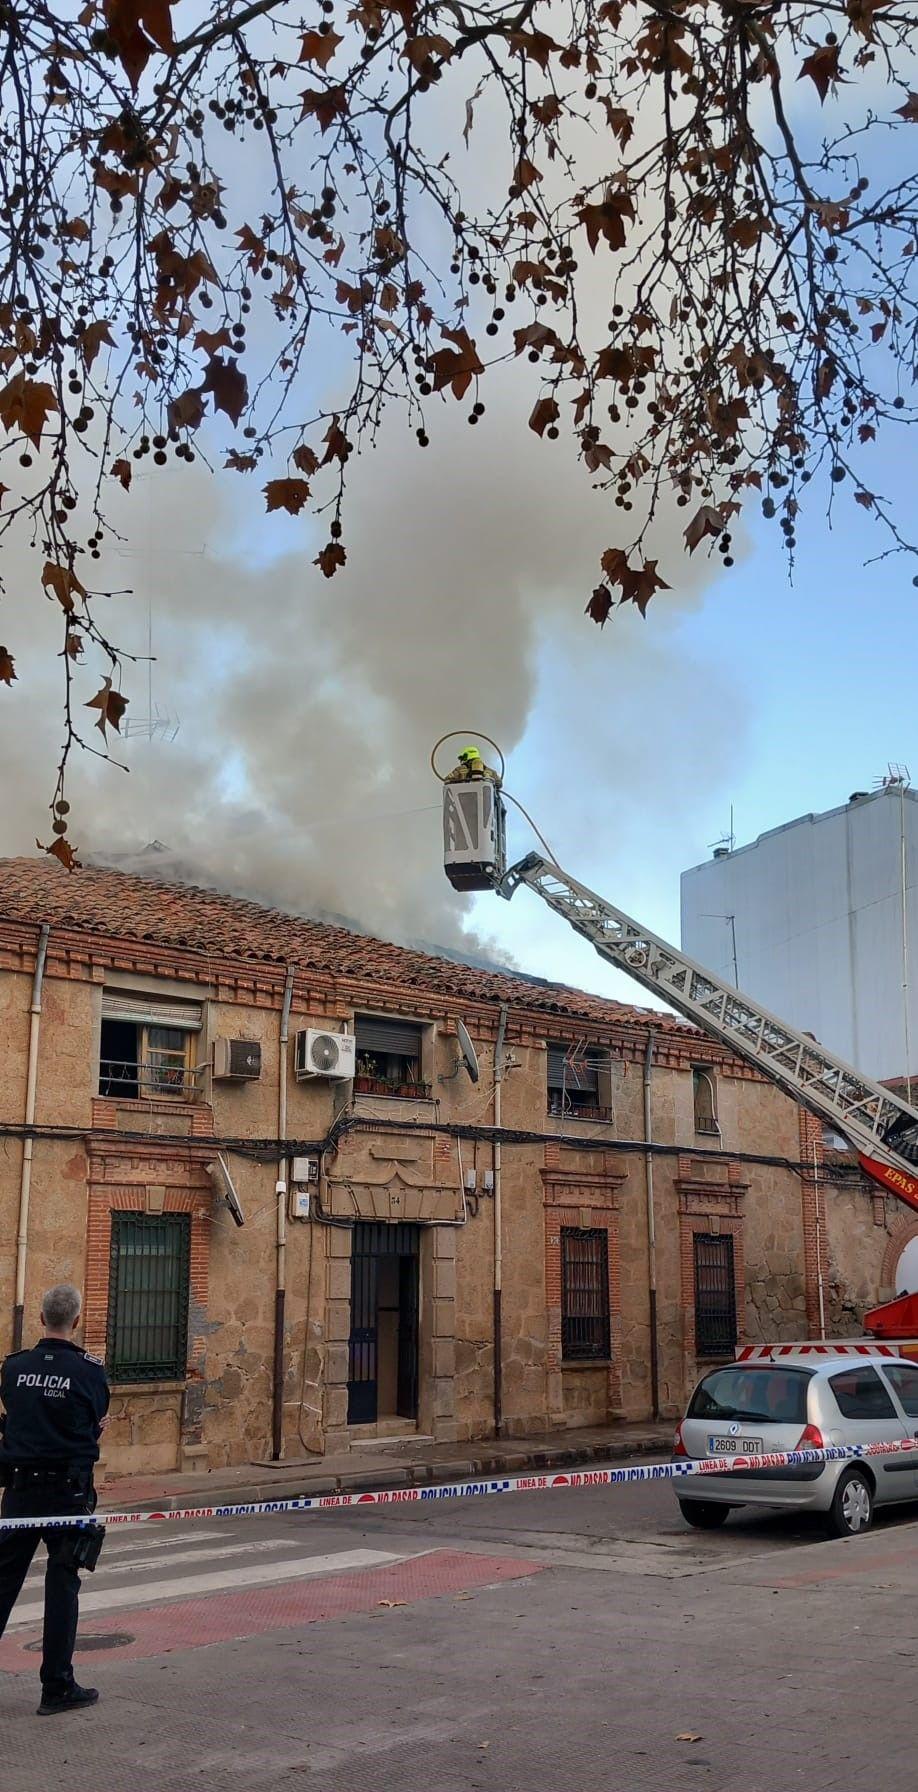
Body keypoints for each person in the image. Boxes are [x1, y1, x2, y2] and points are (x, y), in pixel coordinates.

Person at [0, 1283, 110, 1716]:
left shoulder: (14, 1368)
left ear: (41, 1318)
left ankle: (60, 1686)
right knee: (63, 1584)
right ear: (77, 1321)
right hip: (68, 1492)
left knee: (3, 1582)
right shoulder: (89, 1371)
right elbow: (92, 1422)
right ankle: (57, 1686)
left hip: (21, 1491)